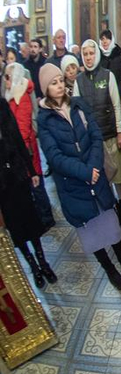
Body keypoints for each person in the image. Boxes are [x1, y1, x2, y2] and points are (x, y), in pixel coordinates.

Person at [38, 65, 121, 292]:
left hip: (96, 176)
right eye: (53, 83)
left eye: (60, 80)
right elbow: (54, 156)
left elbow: (95, 136)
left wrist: (94, 166)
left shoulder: (78, 105)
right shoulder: (45, 119)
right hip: (73, 185)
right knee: (91, 231)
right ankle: (110, 270)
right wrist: (84, 172)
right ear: (45, 88)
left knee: (110, 222)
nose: (59, 85)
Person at [73, 40, 121, 226]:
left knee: (119, 174)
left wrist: (120, 132)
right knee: (103, 176)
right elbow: (77, 111)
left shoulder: (108, 76)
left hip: (111, 134)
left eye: (92, 53)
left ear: (96, 55)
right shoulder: (79, 81)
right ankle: (112, 207)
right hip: (93, 139)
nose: (89, 58)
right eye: (86, 54)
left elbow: (116, 105)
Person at [0, 97, 54, 288]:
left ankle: (43, 262)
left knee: (31, 222)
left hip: (17, 176)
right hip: (2, 187)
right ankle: (33, 267)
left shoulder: (1, 104)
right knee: (16, 229)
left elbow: (15, 136)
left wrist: (31, 171)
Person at [3, 62, 54, 229]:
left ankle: (47, 217)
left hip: (26, 149)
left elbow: (23, 127)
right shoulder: (12, 95)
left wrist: (20, 151)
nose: (5, 80)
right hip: (21, 150)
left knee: (36, 183)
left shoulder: (22, 96)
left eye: (8, 77)